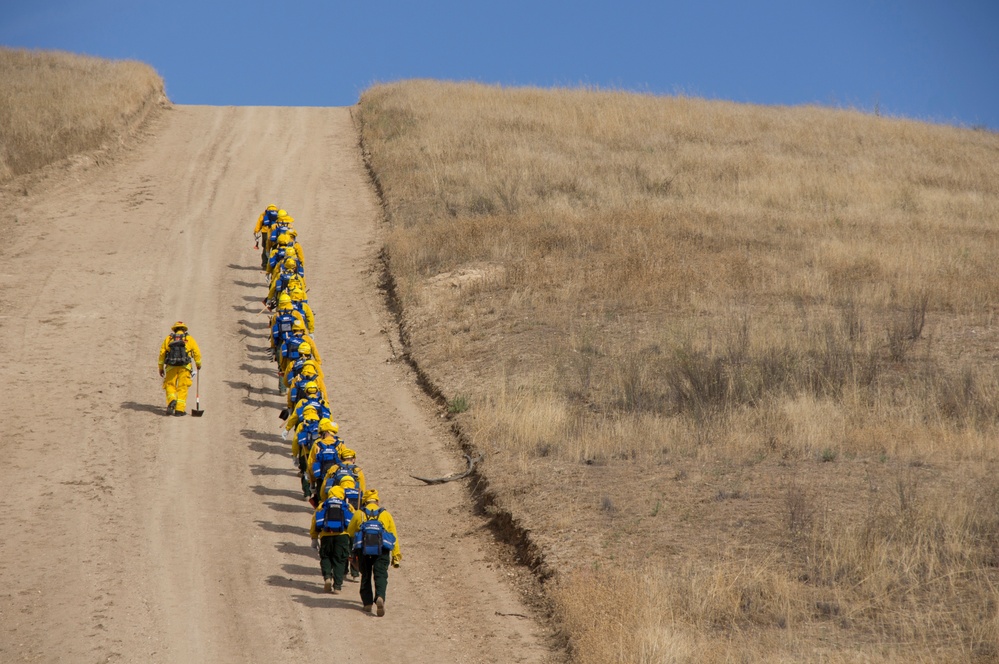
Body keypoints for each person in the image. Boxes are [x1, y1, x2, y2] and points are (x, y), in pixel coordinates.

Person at [346, 489, 401, 616]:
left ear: (364, 501)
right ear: (377, 501)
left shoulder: (359, 513)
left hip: (364, 550)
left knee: (366, 575)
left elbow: (349, 531)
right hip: (382, 550)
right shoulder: (385, 514)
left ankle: (367, 603)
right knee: (381, 574)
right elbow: (394, 536)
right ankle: (380, 596)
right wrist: (396, 556)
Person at [310, 485, 355, 593]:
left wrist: (314, 537)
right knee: (339, 560)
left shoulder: (323, 505)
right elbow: (353, 523)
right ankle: (337, 586)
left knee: (325, 557)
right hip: (342, 536)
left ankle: (327, 578)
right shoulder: (347, 506)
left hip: (326, 535)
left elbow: (314, 522)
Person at [157, 321, 202, 416]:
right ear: (184, 329)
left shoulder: (168, 339)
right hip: (184, 367)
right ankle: (179, 410)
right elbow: (197, 352)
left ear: (175, 329)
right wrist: (198, 364)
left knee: (170, 385)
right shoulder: (189, 338)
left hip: (171, 366)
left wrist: (161, 368)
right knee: (182, 387)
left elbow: (162, 354)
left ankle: (172, 399)